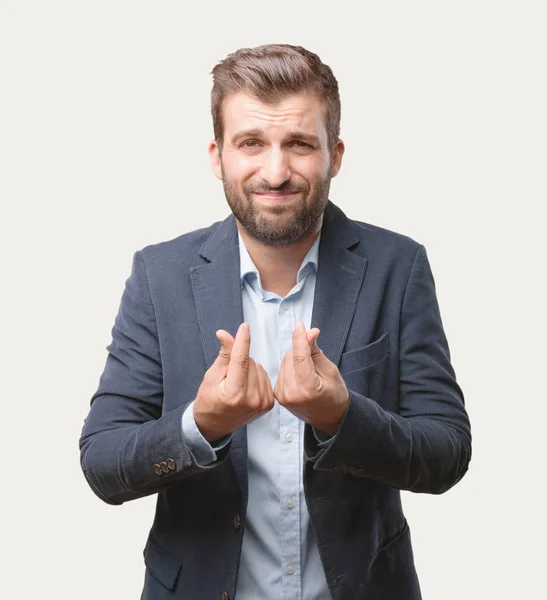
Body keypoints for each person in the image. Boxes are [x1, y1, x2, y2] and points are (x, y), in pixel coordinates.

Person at [79, 44, 471, 600]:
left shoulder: (397, 267)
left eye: (300, 145)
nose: (276, 171)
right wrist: (202, 423)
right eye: (251, 144)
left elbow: (447, 452)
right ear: (218, 156)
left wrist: (343, 417)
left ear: (334, 154)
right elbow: (102, 463)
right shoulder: (158, 274)